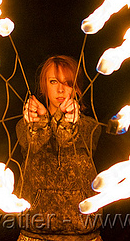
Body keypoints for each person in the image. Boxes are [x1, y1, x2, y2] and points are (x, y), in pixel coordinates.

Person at [16, 55, 102, 241]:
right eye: (53, 81)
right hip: (34, 233)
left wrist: (65, 122)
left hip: (83, 234)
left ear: (76, 88)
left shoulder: (90, 126)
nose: (60, 89)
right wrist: (41, 122)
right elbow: (33, 143)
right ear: (43, 85)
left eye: (68, 83)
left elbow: (67, 140)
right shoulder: (25, 125)